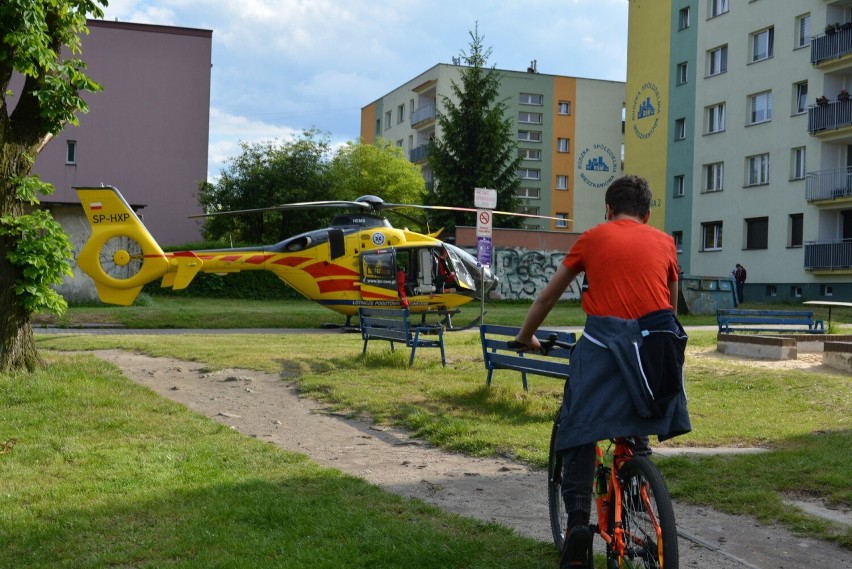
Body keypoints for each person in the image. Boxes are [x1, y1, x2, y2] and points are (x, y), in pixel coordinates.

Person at [513, 175, 691, 568]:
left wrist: (527, 337)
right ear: (646, 214)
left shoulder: (593, 238)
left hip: (602, 354)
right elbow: (670, 314)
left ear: (608, 211)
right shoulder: (664, 242)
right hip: (651, 359)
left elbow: (547, 296)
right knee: (636, 421)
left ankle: (577, 520)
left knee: (578, 426)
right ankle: (637, 471)